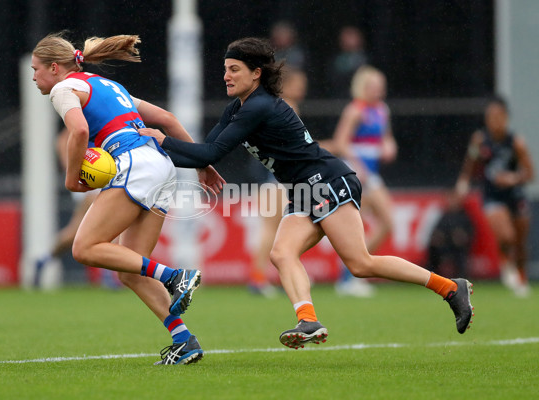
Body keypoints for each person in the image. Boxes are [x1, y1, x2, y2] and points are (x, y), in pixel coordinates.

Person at [142, 37, 474, 349]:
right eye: (225, 68)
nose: (225, 75)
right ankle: (308, 321)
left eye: (234, 69)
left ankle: (449, 288)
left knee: (359, 263)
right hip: (304, 188)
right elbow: (204, 151)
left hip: (326, 180)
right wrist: (165, 149)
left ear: (256, 73)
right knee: (282, 253)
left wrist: (161, 142)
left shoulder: (258, 107)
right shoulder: (238, 108)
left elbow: (208, 154)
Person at [31, 32, 225, 365]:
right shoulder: (108, 86)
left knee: (84, 247)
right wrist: (201, 164)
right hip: (161, 166)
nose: (34, 77)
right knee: (130, 269)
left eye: (36, 69)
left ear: (54, 67)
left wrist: (71, 177)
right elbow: (167, 119)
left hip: (134, 163)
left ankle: (175, 276)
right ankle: (184, 340)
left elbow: (77, 131)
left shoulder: (64, 89)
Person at [327, 66, 397, 297]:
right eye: (374, 86)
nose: (378, 91)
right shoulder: (355, 110)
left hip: (372, 174)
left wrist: (388, 146)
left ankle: (350, 272)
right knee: (375, 222)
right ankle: (351, 275)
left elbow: (386, 139)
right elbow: (340, 143)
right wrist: (357, 164)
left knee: (385, 224)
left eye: (381, 86)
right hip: (356, 174)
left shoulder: (382, 110)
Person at [455, 97, 534, 297]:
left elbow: (530, 173)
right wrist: (463, 182)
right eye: (490, 117)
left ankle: (521, 277)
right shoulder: (480, 140)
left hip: (515, 194)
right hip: (491, 195)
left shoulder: (516, 143)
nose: (494, 121)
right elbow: (471, 162)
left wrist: (513, 178)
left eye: (498, 117)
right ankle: (505, 263)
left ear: (506, 118)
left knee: (520, 241)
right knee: (506, 235)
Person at [248, 68, 307, 297]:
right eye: (299, 83)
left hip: (268, 176)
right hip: (278, 179)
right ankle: (262, 277)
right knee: (274, 230)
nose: (303, 88)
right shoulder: (287, 105)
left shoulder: (268, 104)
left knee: (272, 230)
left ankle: (263, 276)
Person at [34, 128, 100, 287]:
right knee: (101, 226)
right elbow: (63, 139)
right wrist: (71, 167)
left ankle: (44, 260)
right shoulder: (88, 115)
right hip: (90, 179)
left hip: (105, 177)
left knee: (75, 232)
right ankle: (109, 276)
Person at [326, 26, 368, 97]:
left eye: (351, 36)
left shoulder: (366, 59)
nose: (348, 40)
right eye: (346, 37)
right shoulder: (335, 60)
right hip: (339, 97)